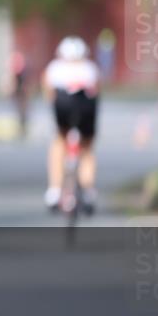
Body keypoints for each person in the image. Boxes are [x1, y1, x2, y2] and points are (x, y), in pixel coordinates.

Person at [41, 36, 100, 213]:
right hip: (86, 106)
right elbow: (97, 92)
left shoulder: (54, 68)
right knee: (87, 147)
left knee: (59, 140)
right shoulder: (90, 68)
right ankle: (88, 190)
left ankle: (54, 190)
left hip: (63, 105)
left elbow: (48, 93)